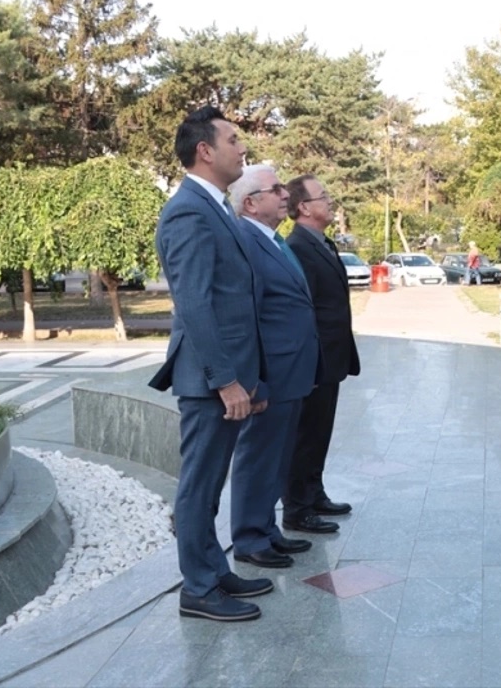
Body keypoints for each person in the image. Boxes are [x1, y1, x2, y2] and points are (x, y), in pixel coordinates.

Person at [149, 106, 271, 622]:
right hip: (207, 380)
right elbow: (195, 304)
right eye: (234, 139)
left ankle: (213, 571)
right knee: (198, 486)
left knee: (211, 481)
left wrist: (249, 377)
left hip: (225, 375)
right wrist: (226, 381)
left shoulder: (214, 206)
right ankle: (197, 587)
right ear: (206, 150)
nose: (242, 148)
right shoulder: (188, 211)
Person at [229, 165, 322, 568]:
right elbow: (248, 315)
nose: (286, 195)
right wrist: (256, 379)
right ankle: (249, 539)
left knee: (278, 456)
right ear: (250, 203)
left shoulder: (273, 238)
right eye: (276, 189)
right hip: (272, 371)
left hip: (294, 370)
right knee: (258, 456)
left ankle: (267, 529)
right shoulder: (246, 240)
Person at [282, 174, 361, 534]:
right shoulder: (298, 246)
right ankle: (297, 508)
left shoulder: (321, 242)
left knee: (320, 431)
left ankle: (315, 493)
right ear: (304, 207)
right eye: (323, 197)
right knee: (305, 434)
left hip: (330, 357)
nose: (330, 202)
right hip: (313, 360)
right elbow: (303, 308)